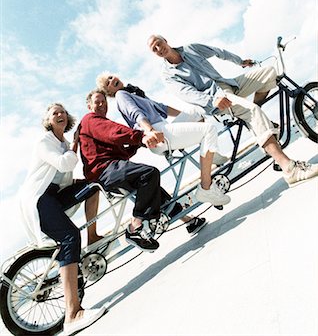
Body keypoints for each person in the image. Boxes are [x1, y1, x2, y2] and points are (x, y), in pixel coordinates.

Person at [147, 35, 318, 186]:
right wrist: (213, 100)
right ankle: (289, 170)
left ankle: (258, 127)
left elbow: (218, 51)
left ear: (166, 41)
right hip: (216, 100)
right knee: (252, 111)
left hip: (229, 84)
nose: (158, 49)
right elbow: (186, 94)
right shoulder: (168, 74)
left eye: (158, 43)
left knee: (269, 73)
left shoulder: (190, 49)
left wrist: (240, 61)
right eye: (154, 49)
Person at [78, 89, 209, 252]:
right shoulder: (91, 120)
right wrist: (141, 136)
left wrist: (141, 143)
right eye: (97, 101)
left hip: (110, 169)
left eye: (104, 101)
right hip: (105, 170)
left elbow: (123, 151)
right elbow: (114, 132)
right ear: (89, 105)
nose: (101, 104)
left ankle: (189, 221)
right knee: (149, 174)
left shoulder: (97, 125)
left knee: (155, 190)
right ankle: (135, 227)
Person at [19, 103, 105, 336]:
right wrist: (75, 146)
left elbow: (64, 178)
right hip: (39, 200)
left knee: (92, 187)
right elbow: (65, 163)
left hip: (54, 196)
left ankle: (93, 236)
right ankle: (72, 314)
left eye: (63, 112)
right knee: (69, 237)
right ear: (47, 119)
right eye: (54, 112)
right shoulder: (45, 142)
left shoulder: (63, 144)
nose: (60, 114)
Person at [96, 73, 231, 206]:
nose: (111, 80)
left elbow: (162, 108)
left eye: (110, 77)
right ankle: (206, 187)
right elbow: (135, 113)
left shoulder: (133, 93)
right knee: (209, 130)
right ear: (109, 92)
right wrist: (150, 130)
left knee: (196, 112)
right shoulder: (121, 95)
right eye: (107, 83)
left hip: (164, 128)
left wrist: (187, 118)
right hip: (157, 133)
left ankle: (210, 156)